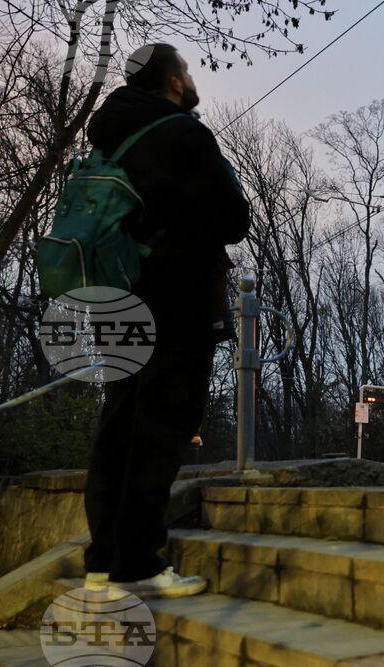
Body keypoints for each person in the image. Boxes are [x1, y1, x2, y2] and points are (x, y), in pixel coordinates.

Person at [82, 44, 250, 598]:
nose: (191, 78)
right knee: (163, 425)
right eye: (187, 70)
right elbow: (234, 219)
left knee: (120, 423)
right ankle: (139, 564)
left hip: (115, 295)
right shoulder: (182, 133)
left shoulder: (110, 138)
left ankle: (104, 562)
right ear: (174, 82)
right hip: (175, 297)